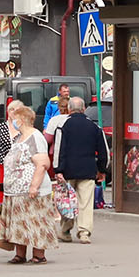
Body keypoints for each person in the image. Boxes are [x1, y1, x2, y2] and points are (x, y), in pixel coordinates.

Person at [0, 103, 57, 263]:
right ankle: (20, 254)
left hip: (32, 189)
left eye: (14, 119)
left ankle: (39, 255)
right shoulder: (19, 137)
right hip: (16, 191)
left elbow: (43, 163)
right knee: (20, 222)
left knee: (35, 220)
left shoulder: (35, 136)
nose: (12, 122)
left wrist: (34, 186)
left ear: (22, 120)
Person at [54, 96, 110, 244]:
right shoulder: (95, 127)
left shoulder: (63, 126)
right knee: (85, 203)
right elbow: (104, 152)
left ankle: (66, 231)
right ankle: (84, 232)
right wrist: (102, 170)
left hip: (67, 171)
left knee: (67, 202)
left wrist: (57, 170)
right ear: (84, 109)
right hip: (88, 170)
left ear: (69, 109)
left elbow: (59, 149)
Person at [0, 100, 26, 197]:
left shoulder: (24, 128)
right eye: (13, 110)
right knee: (1, 194)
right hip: (0, 165)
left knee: (16, 196)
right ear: (9, 112)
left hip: (17, 167)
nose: (15, 113)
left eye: (18, 111)